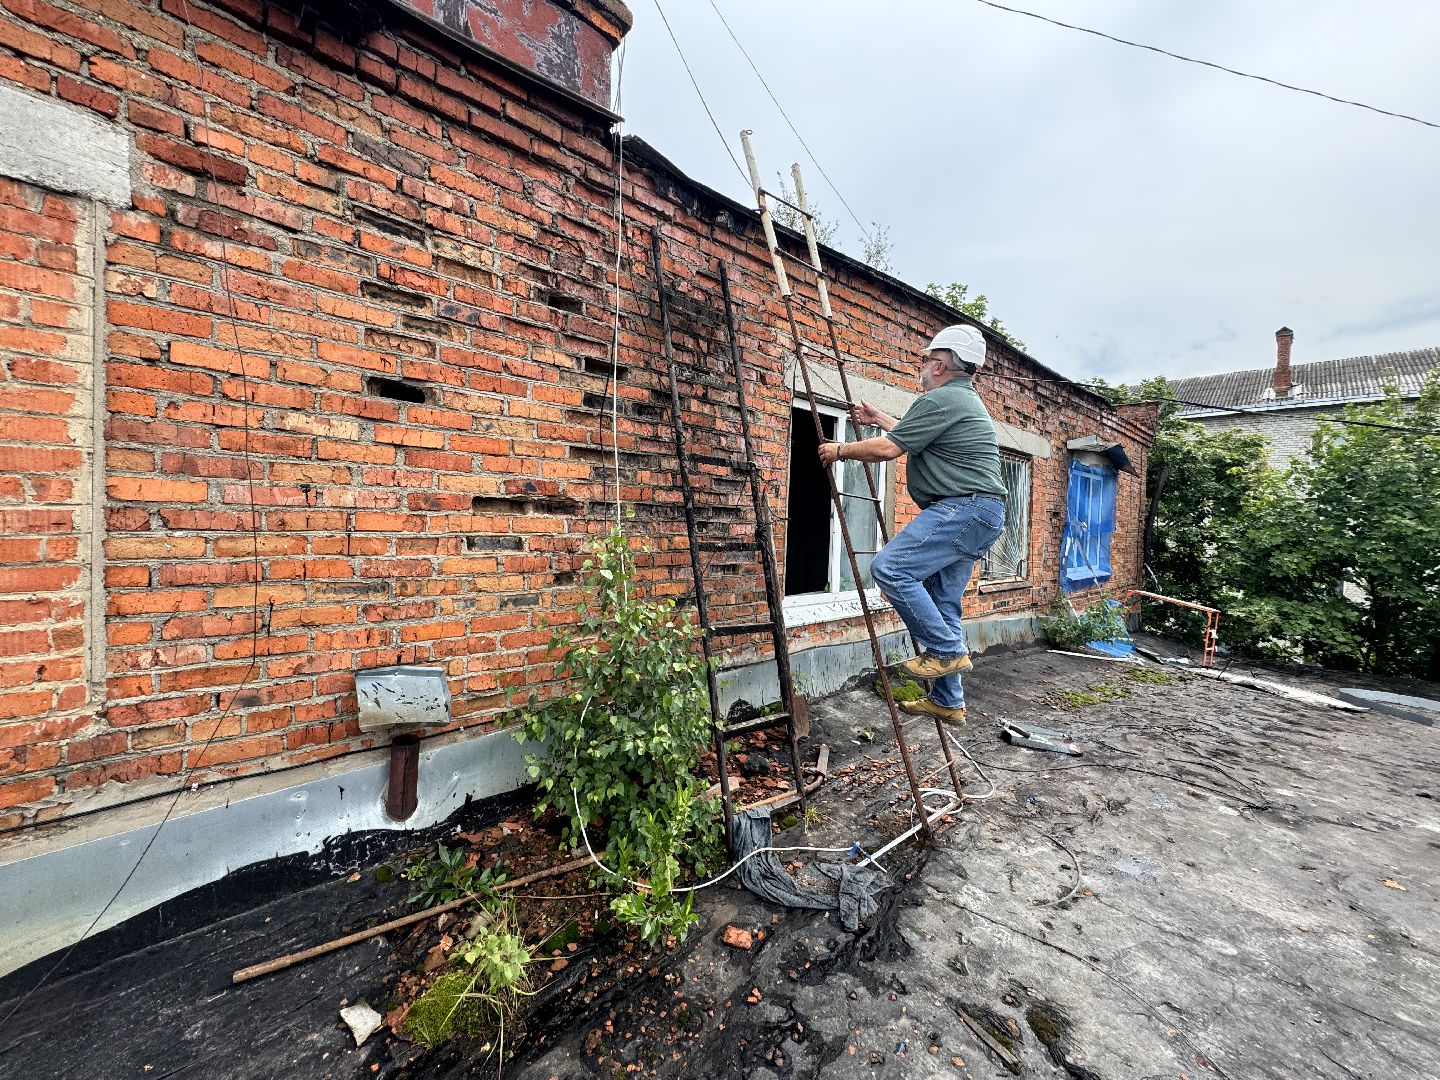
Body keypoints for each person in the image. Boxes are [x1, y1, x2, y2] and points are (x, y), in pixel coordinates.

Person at [817, 324, 1007, 725]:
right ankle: (948, 700)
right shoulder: (960, 400)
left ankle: (943, 651)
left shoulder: (939, 400)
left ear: (939, 364)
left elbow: (889, 449)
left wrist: (840, 450)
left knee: (890, 568)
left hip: (962, 509)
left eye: (926, 359)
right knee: (943, 603)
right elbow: (917, 435)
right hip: (980, 515)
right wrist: (881, 417)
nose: (922, 365)